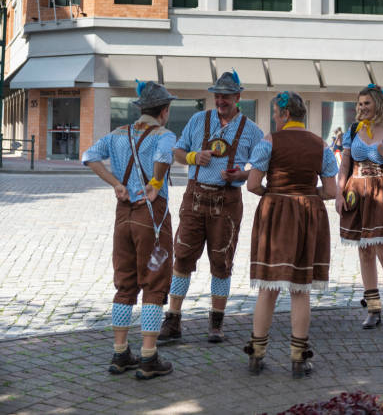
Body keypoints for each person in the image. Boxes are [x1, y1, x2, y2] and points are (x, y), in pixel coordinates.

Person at [158, 71, 264, 344]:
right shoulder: (197, 120)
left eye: (226, 96)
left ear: (238, 97)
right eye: (217, 95)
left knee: (221, 262)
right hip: (194, 198)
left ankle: (216, 323)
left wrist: (242, 175)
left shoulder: (252, 131)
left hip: (227, 201)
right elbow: (178, 153)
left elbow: (261, 167)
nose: (220, 100)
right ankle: (173, 320)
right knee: (182, 258)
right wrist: (194, 156)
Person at [82, 81, 178, 379]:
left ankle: (121, 352)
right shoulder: (164, 134)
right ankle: (149, 357)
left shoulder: (117, 134)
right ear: (164, 111)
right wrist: (156, 184)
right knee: (154, 282)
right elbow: (163, 158)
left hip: (123, 216)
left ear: (140, 109)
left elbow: (87, 156)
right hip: (151, 216)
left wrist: (116, 184)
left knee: (125, 284)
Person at [245, 91, 337, 378]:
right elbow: (332, 192)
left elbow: (251, 184)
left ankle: (257, 355)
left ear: (284, 114)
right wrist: (309, 194)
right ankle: (298, 358)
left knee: (268, 287)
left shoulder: (270, 141)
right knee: (300, 288)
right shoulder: (321, 145)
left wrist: (273, 193)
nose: (274, 117)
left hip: (276, 213)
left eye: (275, 113)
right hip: (308, 214)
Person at [336, 84, 383, 329]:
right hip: (357, 194)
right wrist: (340, 194)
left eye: (366, 103)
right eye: (359, 103)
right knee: (364, 251)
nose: (361, 108)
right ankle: (373, 309)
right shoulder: (353, 129)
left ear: (378, 105)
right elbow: (344, 166)